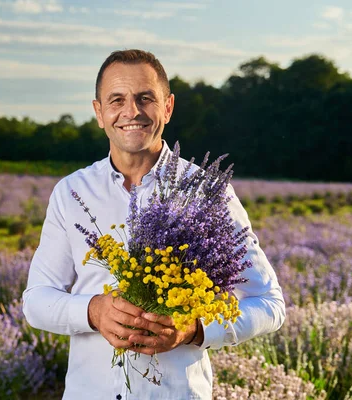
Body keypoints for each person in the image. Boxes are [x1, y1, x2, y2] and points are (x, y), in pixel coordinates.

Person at [22, 49, 286, 400]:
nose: (131, 111)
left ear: (167, 107)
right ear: (99, 112)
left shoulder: (210, 195)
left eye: (145, 98)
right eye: (116, 100)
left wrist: (195, 329)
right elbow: (36, 301)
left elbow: (269, 304)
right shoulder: (71, 192)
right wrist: (93, 311)